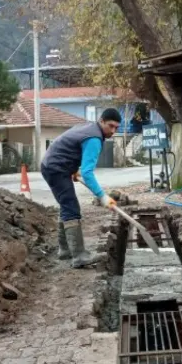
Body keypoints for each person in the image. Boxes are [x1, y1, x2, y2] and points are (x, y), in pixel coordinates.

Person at [41, 108, 121, 268]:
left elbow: (70, 148)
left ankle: (65, 251)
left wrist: (72, 169)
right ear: (102, 121)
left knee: (67, 205)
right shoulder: (94, 138)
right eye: (110, 126)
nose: (113, 131)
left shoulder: (87, 128)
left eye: (116, 128)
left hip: (52, 165)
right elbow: (88, 173)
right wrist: (103, 196)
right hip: (56, 168)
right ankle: (79, 256)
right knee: (71, 208)